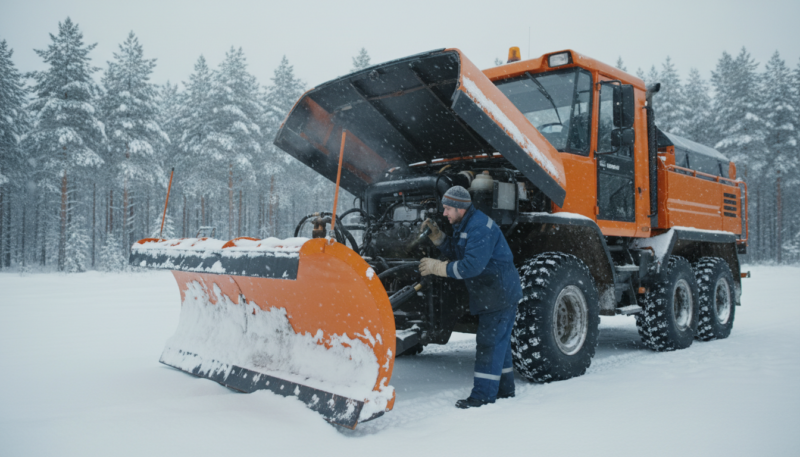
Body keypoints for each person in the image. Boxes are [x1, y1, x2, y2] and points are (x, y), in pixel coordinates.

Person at [418, 185, 523, 409]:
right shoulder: (466, 224)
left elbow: (471, 266)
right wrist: (439, 238)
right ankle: (505, 390)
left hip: (498, 295)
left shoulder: (479, 227)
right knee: (500, 344)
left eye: (448, 209)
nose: (444, 213)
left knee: (489, 344)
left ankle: (482, 397)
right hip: (495, 293)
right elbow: (461, 252)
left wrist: (439, 267)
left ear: (460, 208)